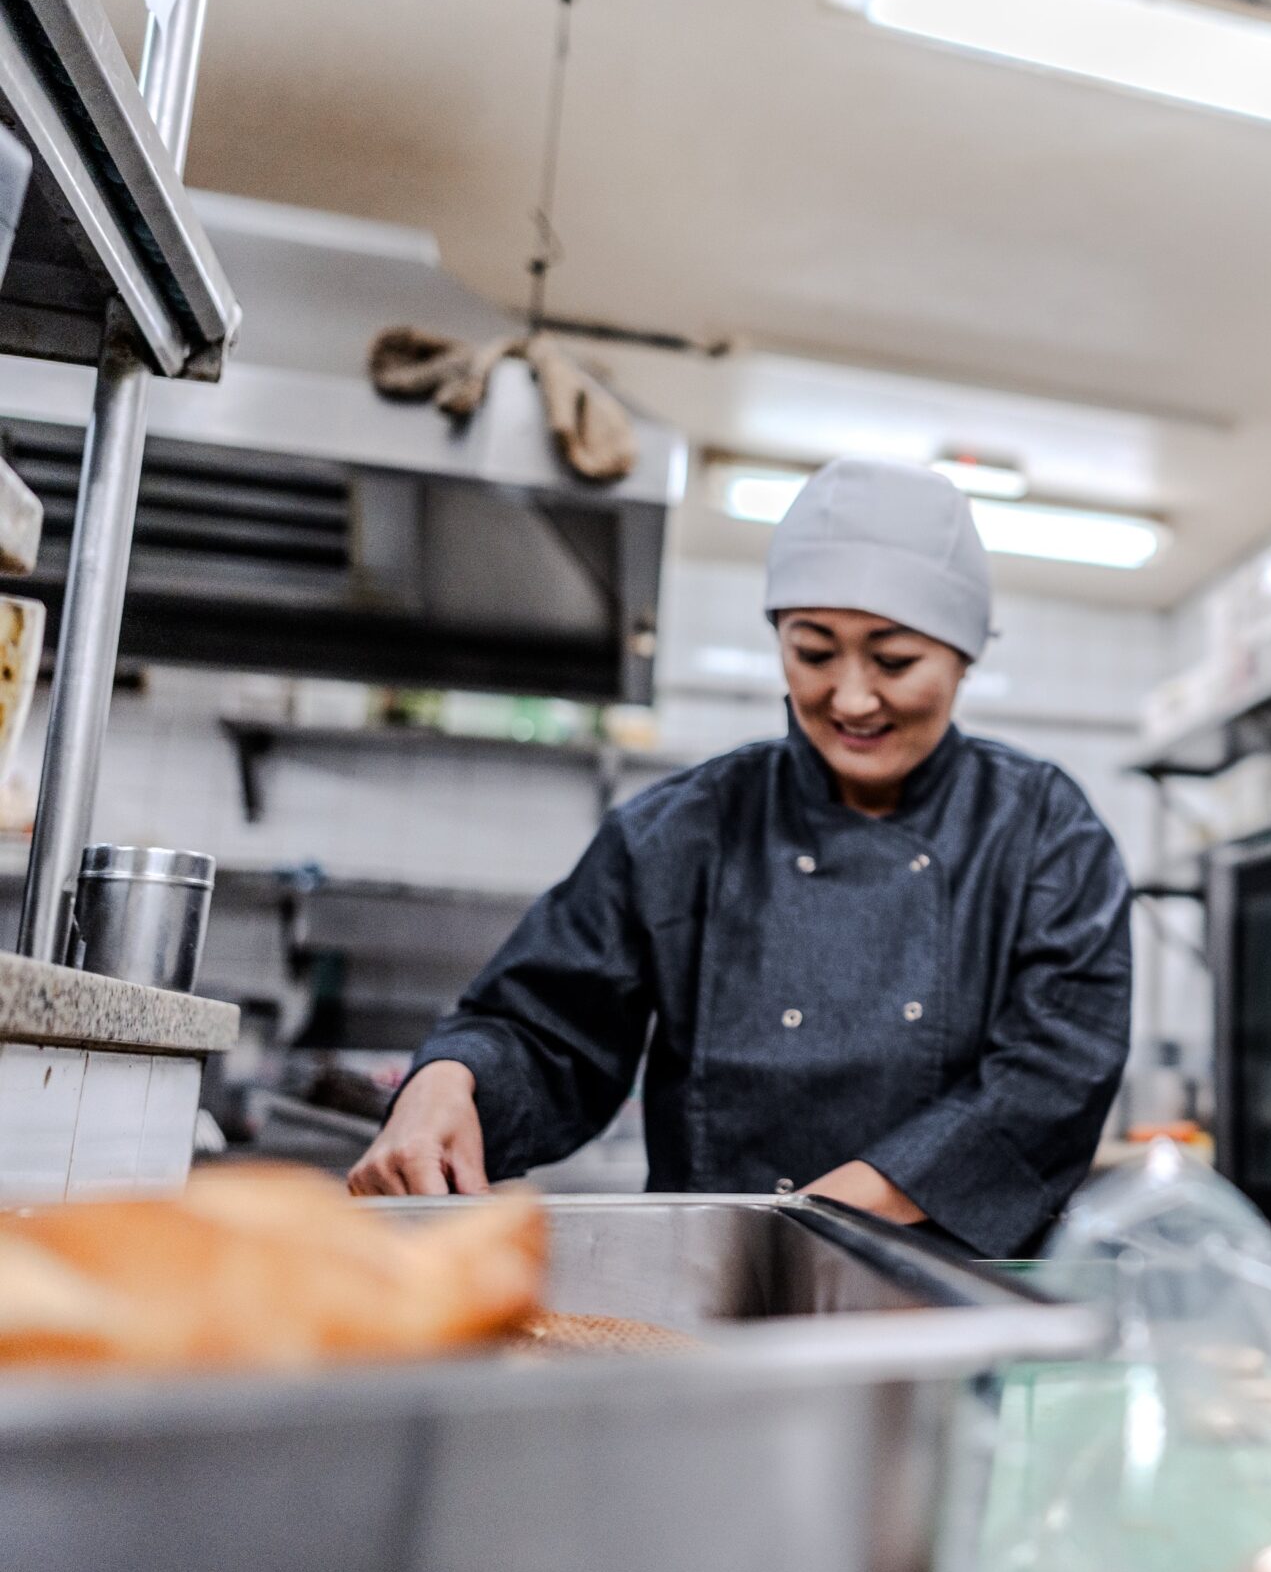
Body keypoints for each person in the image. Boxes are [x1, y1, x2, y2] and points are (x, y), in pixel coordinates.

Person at [349, 459, 1135, 1257]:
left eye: (894, 660)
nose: (851, 697)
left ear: (964, 654)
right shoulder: (684, 827)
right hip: (716, 1280)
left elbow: (1052, 1078)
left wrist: (814, 1215)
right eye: (814, 652)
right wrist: (449, 1081)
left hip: (950, 1292)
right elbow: (545, 1028)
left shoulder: (1044, 831)